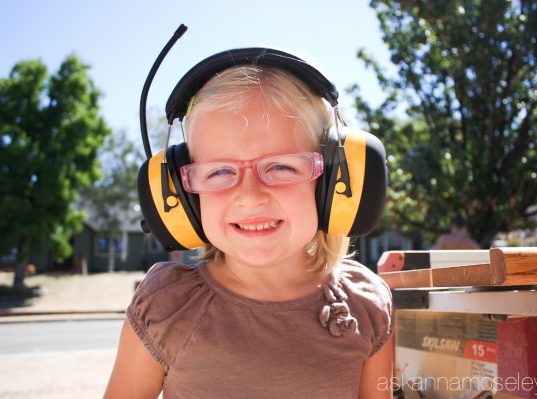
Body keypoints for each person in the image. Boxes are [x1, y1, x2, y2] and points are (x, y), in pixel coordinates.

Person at [104, 50, 394, 398]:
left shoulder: (368, 305)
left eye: (282, 167)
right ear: (184, 196)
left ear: (333, 182)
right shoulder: (166, 306)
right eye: (220, 171)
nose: (251, 195)